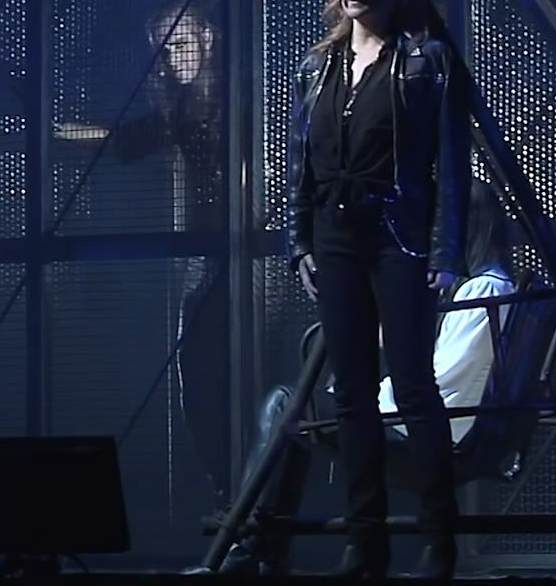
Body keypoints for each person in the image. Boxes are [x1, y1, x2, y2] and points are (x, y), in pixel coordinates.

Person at [285, 0, 474, 578]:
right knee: (352, 394)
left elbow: (451, 166)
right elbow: (301, 165)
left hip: (399, 236)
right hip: (334, 237)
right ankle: (365, 545)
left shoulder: (426, 62)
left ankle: (440, 541)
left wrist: (445, 252)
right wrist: (299, 243)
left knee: (414, 387)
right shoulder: (317, 66)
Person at [220, 179, 513, 575]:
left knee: (286, 404)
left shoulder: (486, 289)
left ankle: (246, 549)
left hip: (434, 431)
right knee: (296, 411)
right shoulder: (481, 287)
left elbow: (446, 381)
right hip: (435, 423)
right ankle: (260, 548)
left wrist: (363, 397)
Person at [54, 0, 232, 512]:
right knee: (197, 379)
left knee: (233, 370)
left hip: (249, 257)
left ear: (208, 39)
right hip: (205, 255)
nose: (173, 59)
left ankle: (249, 488)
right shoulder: (182, 111)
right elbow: (126, 140)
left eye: (181, 44)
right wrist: (56, 129)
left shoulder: (240, 99)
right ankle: (227, 488)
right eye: (164, 51)